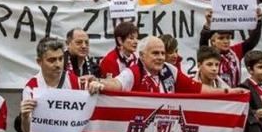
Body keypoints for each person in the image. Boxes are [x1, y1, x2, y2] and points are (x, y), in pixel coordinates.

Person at [93, 36, 245, 95]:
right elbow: (116, 83)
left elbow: (197, 89)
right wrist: (99, 83)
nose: (160, 57)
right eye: (155, 53)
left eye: (162, 53)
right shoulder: (133, 73)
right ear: (142, 55)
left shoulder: (170, 70)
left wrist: (229, 92)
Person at [198, 9, 262, 87]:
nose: (226, 41)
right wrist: (208, 23)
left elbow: (252, 41)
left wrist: (258, 21)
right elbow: (203, 42)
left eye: (228, 38)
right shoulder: (208, 54)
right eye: (221, 38)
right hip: (214, 95)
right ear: (213, 42)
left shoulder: (235, 51)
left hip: (233, 96)